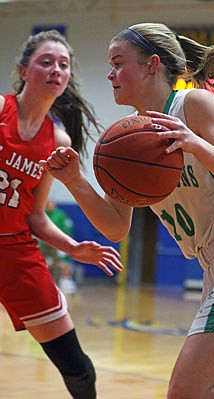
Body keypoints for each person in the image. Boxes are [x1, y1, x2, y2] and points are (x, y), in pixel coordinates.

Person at [41, 23, 214, 398]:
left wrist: (194, 143)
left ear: (152, 65)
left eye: (117, 63)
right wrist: (75, 180)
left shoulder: (193, 105)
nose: (110, 74)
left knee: (186, 393)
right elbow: (115, 227)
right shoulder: (126, 139)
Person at [0, 29, 124, 399]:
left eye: (63, 64)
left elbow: (36, 217)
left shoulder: (57, 140)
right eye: (46, 62)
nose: (56, 69)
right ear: (24, 71)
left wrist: (73, 248)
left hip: (15, 251)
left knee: (79, 369)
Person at [39, 199, 76, 291]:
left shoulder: (61, 215)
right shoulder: (43, 214)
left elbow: (66, 229)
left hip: (56, 244)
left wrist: (64, 242)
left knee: (59, 264)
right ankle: (42, 284)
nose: (50, 206)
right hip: (44, 243)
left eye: (51, 204)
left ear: (55, 205)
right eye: (48, 204)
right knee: (42, 264)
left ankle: (57, 285)